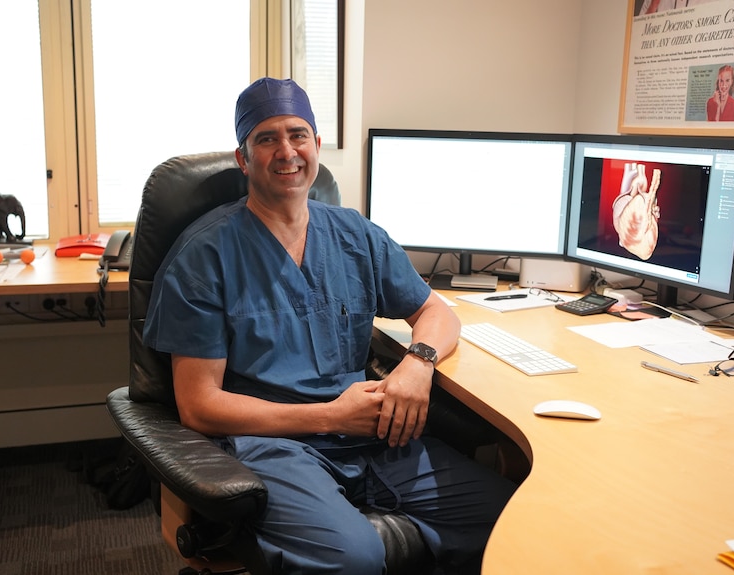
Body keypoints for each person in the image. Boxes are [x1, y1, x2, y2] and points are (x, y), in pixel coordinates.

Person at [143, 77, 516, 574]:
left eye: (298, 135)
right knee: (355, 558)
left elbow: (437, 312)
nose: (286, 151)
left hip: (373, 440)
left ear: (317, 147)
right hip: (275, 449)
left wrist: (415, 366)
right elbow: (199, 405)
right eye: (266, 138)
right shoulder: (205, 257)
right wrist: (328, 418)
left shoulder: (354, 234)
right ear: (243, 158)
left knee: (512, 515)